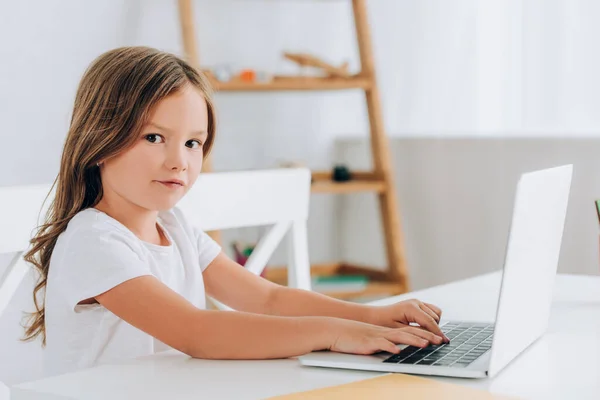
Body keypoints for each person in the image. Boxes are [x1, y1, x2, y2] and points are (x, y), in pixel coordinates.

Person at [23, 46, 449, 376]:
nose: (179, 161)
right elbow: (197, 332)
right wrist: (336, 334)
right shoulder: (94, 242)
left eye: (193, 142)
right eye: (154, 137)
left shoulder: (174, 227)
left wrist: (370, 316)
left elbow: (266, 297)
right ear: (101, 137)